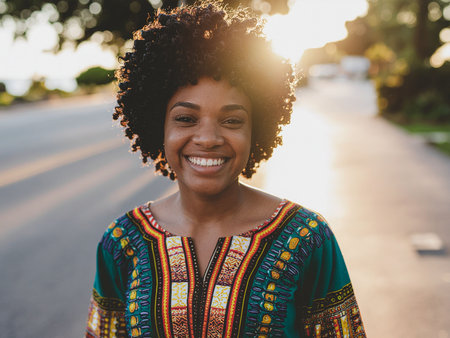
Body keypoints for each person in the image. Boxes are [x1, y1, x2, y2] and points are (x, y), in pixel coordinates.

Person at [85, 2, 366, 337]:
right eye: (186, 119)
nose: (208, 138)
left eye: (232, 121)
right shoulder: (122, 242)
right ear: (157, 126)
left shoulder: (307, 238)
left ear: (256, 129)